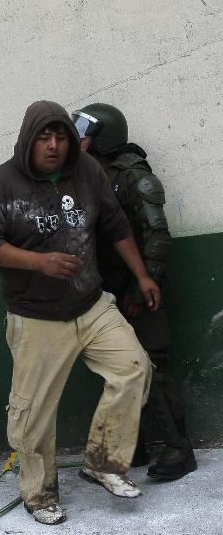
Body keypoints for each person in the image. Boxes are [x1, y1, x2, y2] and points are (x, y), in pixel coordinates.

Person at [0, 100, 159, 525]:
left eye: (60, 137)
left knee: (133, 367)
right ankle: (39, 494)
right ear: (28, 140)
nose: (53, 145)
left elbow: (115, 225)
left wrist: (142, 275)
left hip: (91, 304)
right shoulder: (1, 184)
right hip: (36, 316)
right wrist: (40, 262)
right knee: (32, 418)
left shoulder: (86, 171)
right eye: (44, 137)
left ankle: (104, 463)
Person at [73, 102, 197, 481]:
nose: (77, 134)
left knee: (154, 369)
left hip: (138, 290)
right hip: (105, 289)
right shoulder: (90, 172)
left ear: (103, 134)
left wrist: (144, 285)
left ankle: (179, 451)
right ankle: (133, 447)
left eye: (84, 128)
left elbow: (157, 235)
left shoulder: (133, 176)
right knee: (119, 370)